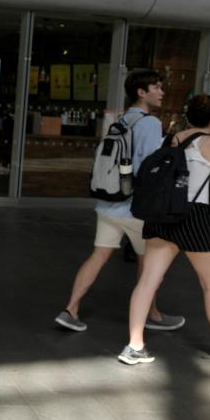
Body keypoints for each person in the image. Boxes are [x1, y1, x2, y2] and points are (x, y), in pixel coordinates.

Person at [119, 95, 210, 365]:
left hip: (162, 215)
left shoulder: (170, 139)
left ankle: (134, 346)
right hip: (195, 217)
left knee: (147, 282)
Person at [54, 69, 183, 332]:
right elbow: (148, 169)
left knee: (99, 255)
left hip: (108, 203)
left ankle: (71, 309)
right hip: (135, 209)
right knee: (148, 263)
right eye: (157, 87)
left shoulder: (121, 119)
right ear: (141, 92)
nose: (162, 92)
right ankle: (152, 314)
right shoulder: (149, 123)